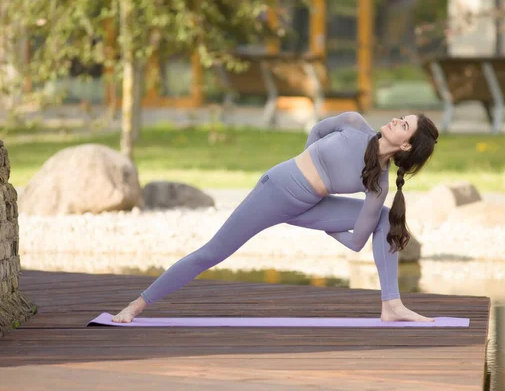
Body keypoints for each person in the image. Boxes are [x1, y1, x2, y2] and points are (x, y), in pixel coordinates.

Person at [113, 111, 439, 323]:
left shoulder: (378, 186)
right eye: (400, 117)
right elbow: (316, 132)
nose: (396, 121)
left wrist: (324, 223)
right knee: (212, 253)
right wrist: (305, 164)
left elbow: (355, 243)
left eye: (404, 125)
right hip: (274, 191)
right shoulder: (354, 123)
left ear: (407, 147)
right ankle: (137, 305)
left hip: (309, 206)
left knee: (384, 218)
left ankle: (391, 304)